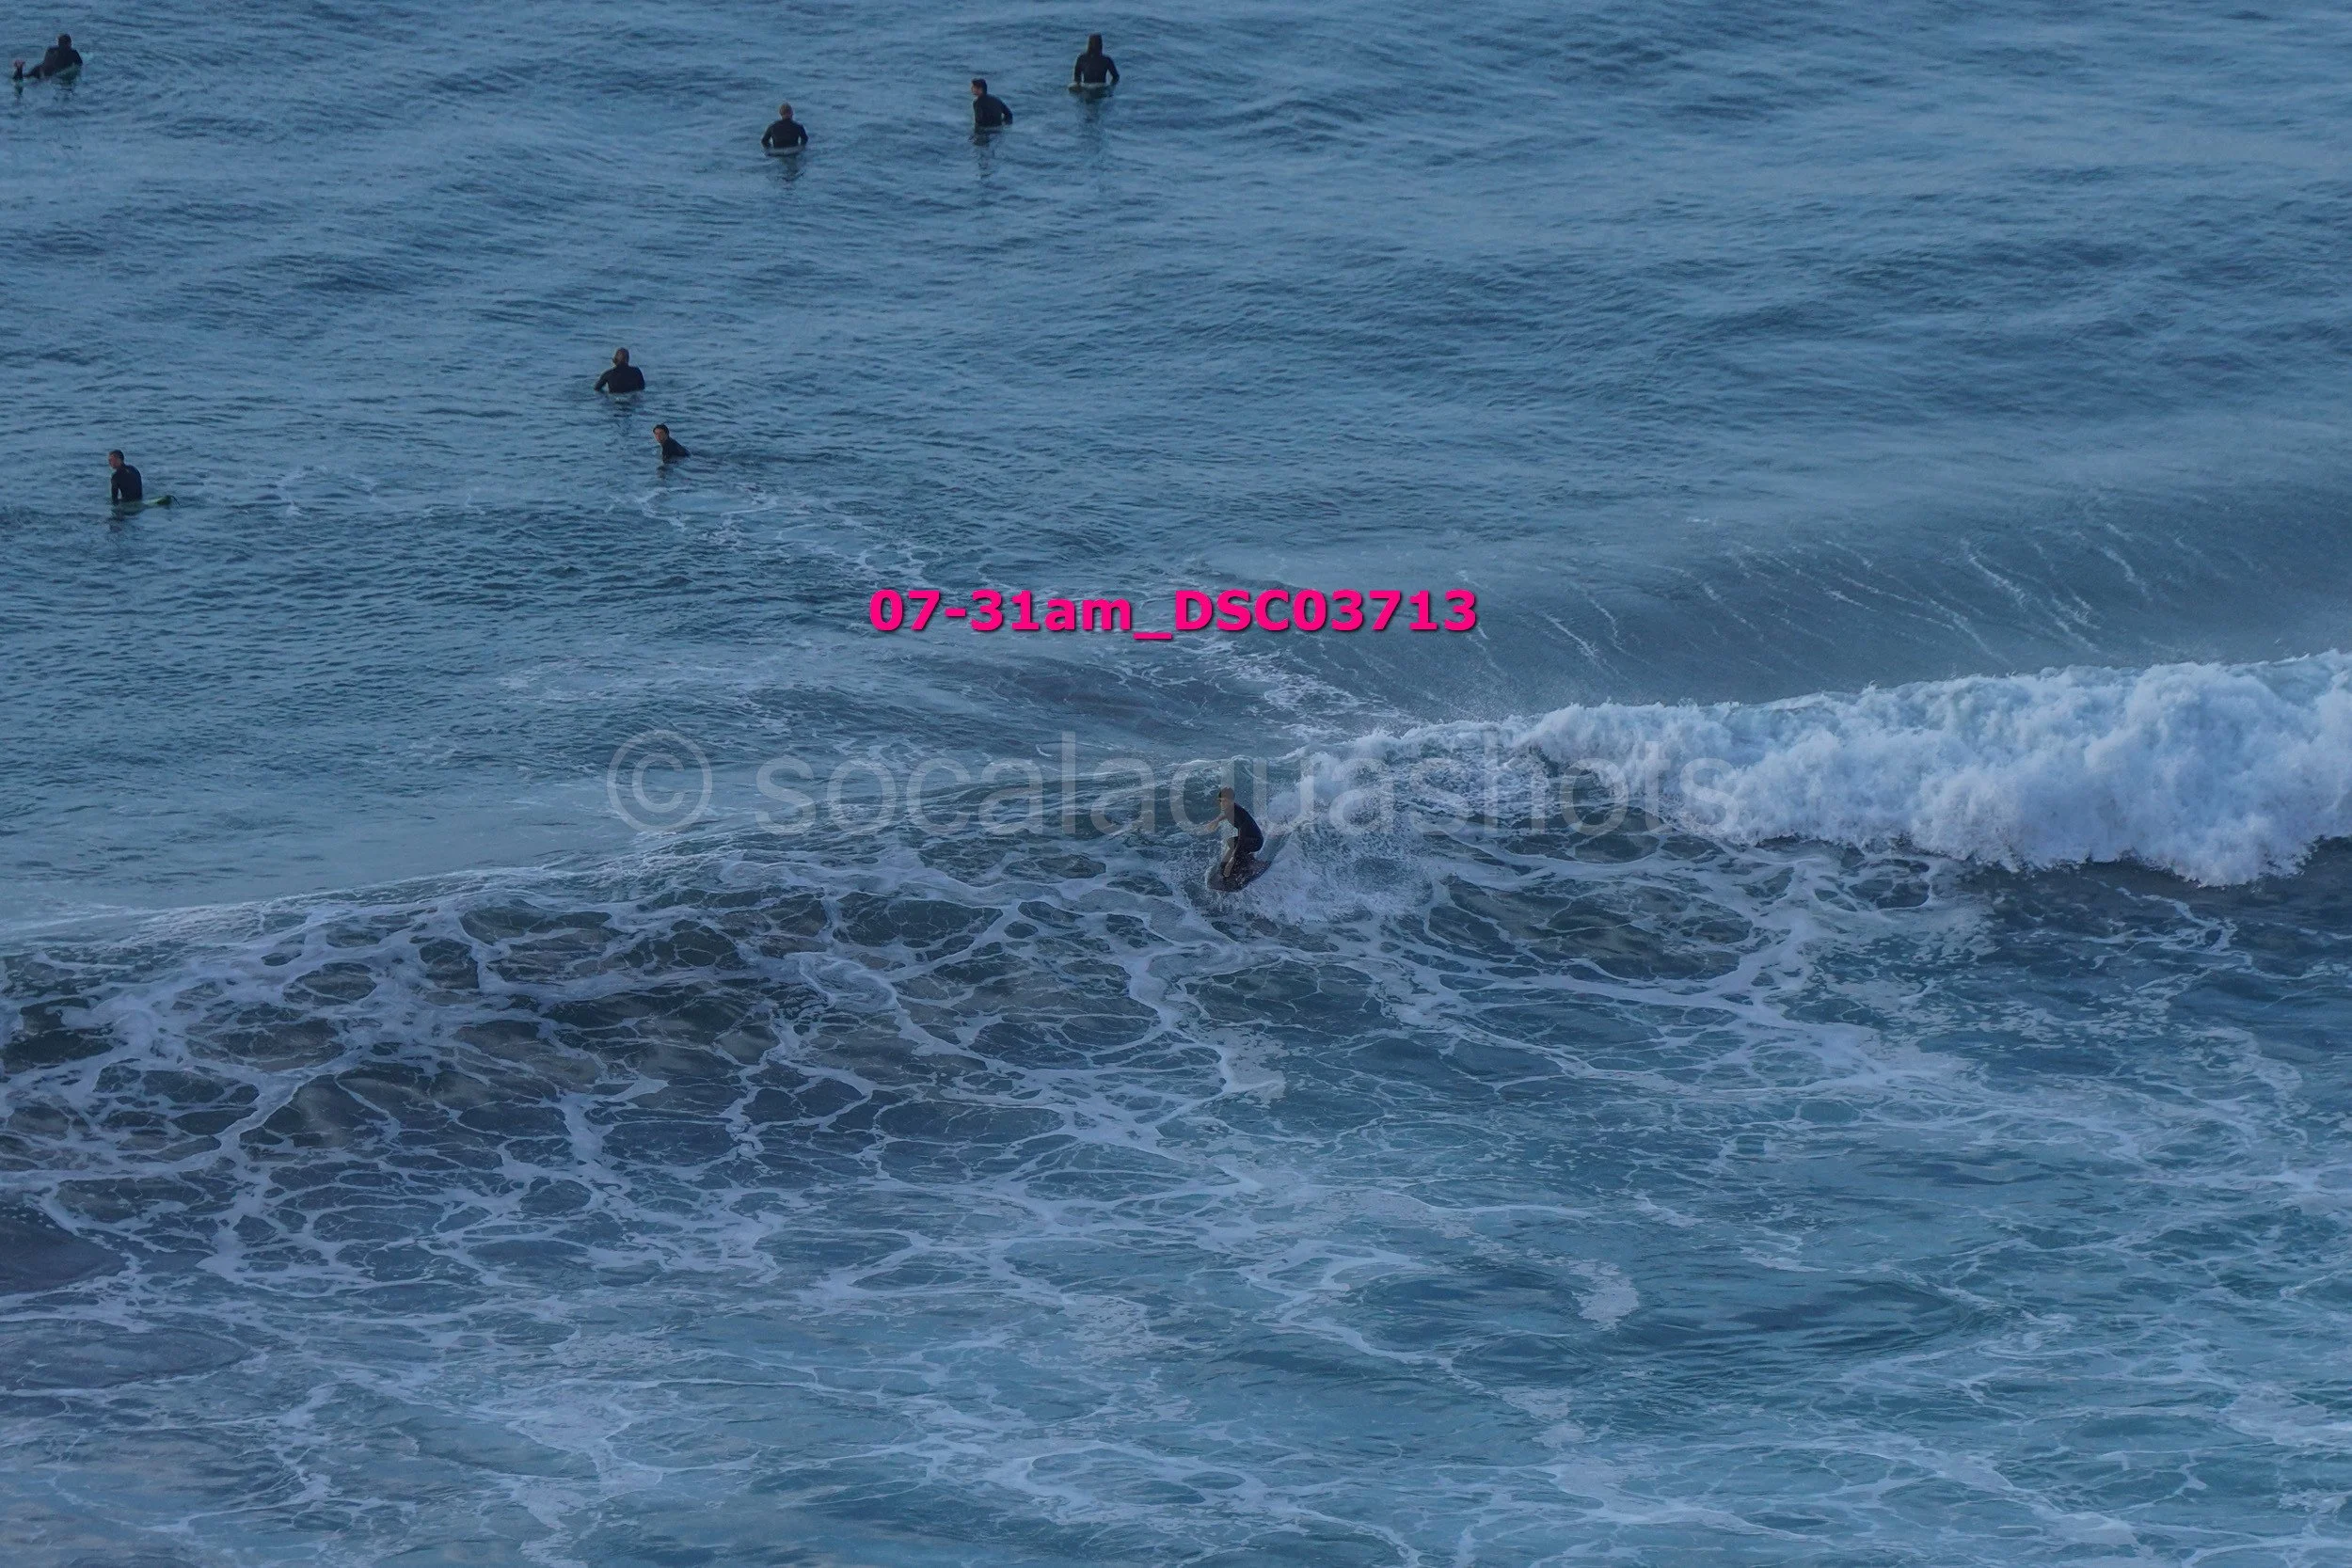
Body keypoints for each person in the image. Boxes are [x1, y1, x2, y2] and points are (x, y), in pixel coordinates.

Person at [1215, 787, 1263, 888]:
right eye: (1220, 801)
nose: (1222, 803)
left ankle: (1251, 865)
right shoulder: (1230, 809)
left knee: (1237, 853)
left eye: (1225, 801)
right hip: (1249, 840)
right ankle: (1248, 859)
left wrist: (1233, 857)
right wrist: (1217, 820)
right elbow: (1227, 815)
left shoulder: (1238, 812)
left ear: (1232, 801)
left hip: (1255, 842)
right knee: (1231, 842)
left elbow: (1241, 839)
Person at [12, 33, 80, 81]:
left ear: (58, 43)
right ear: (69, 43)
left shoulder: (50, 49)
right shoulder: (72, 53)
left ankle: (19, 68)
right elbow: (79, 65)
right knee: (34, 84)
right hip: (48, 73)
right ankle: (19, 69)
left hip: (39, 67)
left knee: (25, 77)